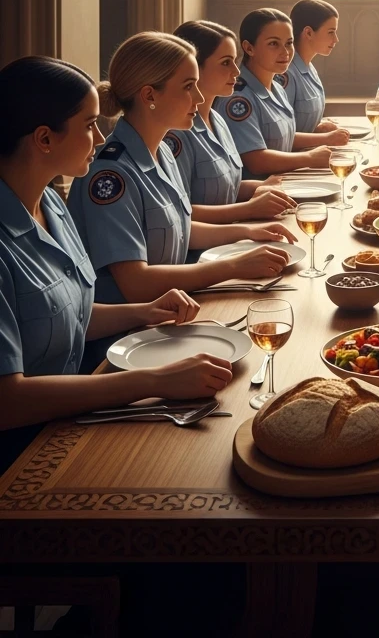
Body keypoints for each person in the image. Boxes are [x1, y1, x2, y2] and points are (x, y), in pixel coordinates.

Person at [0, 56, 233, 438]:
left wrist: (144, 312)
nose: (101, 138)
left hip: (78, 412)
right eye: (90, 125)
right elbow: (8, 400)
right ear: (44, 139)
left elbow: (66, 317)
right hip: (23, 447)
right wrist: (154, 381)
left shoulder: (51, 205)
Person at [69, 32, 295, 303]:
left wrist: (247, 232)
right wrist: (233, 266)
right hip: (130, 333)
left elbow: (179, 228)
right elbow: (135, 284)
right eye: (189, 86)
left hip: (174, 310)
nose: (199, 98)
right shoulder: (111, 175)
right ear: (149, 95)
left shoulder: (161, 150)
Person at [163, 19, 297, 221]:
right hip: (208, 249)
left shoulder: (217, 119)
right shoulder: (175, 133)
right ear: (193, 67)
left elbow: (226, 187)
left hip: (231, 238)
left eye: (235, 61)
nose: (236, 71)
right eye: (226, 63)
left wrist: (261, 187)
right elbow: (178, 215)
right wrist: (249, 209)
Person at [215, 8, 348, 176]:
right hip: (259, 193)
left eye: (289, 43)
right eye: (273, 44)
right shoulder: (238, 99)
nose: (285, 52)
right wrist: (309, 158)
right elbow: (255, 160)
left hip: (285, 182)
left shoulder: (276, 87)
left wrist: (325, 139)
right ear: (249, 48)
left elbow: (284, 137)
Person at [284, 0, 347, 141]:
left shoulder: (309, 68)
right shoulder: (286, 73)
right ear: (308, 33)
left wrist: (318, 128)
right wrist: (325, 138)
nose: (336, 39)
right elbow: (280, 136)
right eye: (331, 32)